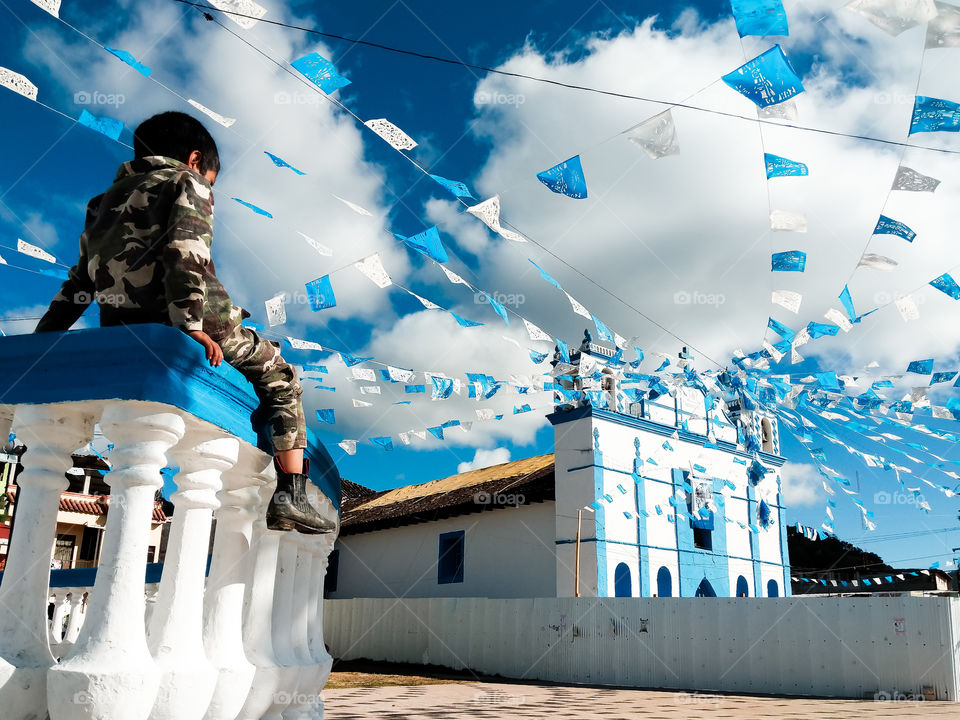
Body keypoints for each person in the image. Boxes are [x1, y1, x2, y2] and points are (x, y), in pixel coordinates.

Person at [35, 111, 333, 534]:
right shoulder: (185, 182)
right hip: (197, 319)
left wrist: (43, 340)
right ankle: (291, 495)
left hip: (123, 327)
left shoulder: (100, 204)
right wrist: (190, 323)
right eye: (212, 178)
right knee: (282, 377)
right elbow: (185, 250)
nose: (209, 186)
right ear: (195, 160)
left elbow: (79, 281)